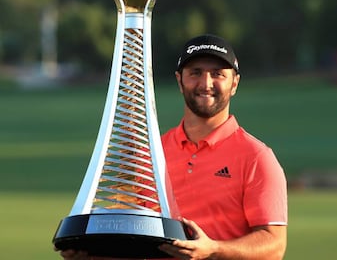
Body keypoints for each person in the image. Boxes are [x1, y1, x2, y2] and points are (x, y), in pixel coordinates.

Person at [57, 34, 288, 260]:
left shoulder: (257, 157)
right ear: (180, 80)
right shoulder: (152, 155)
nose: (206, 84)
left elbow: (274, 245)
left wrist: (214, 250)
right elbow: (137, 240)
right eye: (195, 73)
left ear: (234, 83)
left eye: (217, 74)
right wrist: (90, 254)